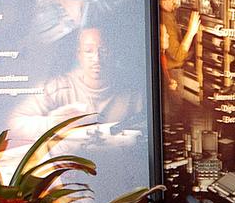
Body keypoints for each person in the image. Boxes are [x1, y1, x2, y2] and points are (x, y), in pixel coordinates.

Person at [8, 27, 143, 141]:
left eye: (104, 51)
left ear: (113, 54)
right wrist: (54, 123)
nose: (96, 58)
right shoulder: (58, 88)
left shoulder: (134, 94)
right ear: (79, 55)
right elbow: (13, 123)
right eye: (88, 51)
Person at [159, 0, 200, 92]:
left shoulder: (168, 14)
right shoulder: (166, 21)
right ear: (162, 3)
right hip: (173, 74)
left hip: (172, 71)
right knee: (176, 106)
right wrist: (191, 32)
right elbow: (178, 55)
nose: (174, 1)